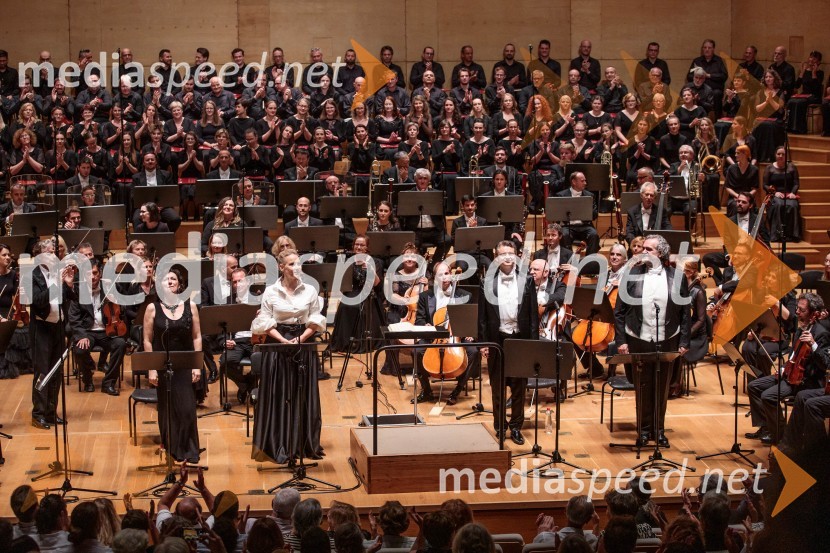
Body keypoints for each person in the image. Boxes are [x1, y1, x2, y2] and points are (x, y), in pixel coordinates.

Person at [250, 249, 326, 464]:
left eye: (298, 264)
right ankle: (278, 444)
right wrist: (283, 341)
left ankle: (302, 444)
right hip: (278, 343)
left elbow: (315, 319)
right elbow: (264, 321)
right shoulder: (271, 292)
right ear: (281, 268)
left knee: (302, 392)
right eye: (291, 264)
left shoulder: (310, 290)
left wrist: (301, 338)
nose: (296, 268)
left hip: (304, 341)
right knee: (279, 393)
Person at [614, 234, 690, 447]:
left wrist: (684, 341)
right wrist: (621, 340)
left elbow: (685, 313)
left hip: (667, 339)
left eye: (649, 249)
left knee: (662, 387)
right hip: (639, 338)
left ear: (661, 253)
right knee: (643, 386)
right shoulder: (631, 275)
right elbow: (619, 311)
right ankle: (644, 431)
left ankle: (659, 430)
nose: (643, 252)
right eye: (643, 248)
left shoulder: (677, 277)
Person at [746, 293, 829, 444]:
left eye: (802, 310)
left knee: (768, 396)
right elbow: (793, 356)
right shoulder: (801, 329)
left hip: (803, 380)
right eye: (797, 308)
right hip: (789, 374)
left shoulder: (821, 334)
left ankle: (781, 434)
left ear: (813, 313)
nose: (797, 312)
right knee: (753, 386)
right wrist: (783, 367)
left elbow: (824, 364)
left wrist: (813, 345)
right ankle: (767, 427)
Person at [479, 240, 539, 445]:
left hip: (519, 339)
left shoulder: (527, 280)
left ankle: (515, 427)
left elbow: (533, 317)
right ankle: (500, 426)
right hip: (497, 339)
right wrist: (484, 343)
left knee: (519, 387)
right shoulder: (486, 282)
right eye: (503, 254)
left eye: (510, 253)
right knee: (497, 387)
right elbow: (483, 318)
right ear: (496, 257)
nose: (507, 257)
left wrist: (533, 346)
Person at [143, 269, 203, 463]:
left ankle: (189, 450)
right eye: (165, 279)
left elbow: (197, 336)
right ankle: (172, 448)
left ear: (179, 283)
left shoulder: (190, 305)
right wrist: (151, 368)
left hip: (185, 364)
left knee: (187, 409)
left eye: (173, 279)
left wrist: (197, 365)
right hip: (163, 365)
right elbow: (147, 340)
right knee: (168, 409)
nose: (169, 282)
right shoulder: (152, 308)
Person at [410, 262, 480, 406]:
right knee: (416, 351)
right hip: (434, 338)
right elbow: (419, 319)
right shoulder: (425, 296)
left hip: (457, 337)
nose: (444, 277)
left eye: (446, 273)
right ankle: (427, 390)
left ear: (451, 275)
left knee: (473, 351)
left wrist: (469, 332)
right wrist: (426, 326)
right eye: (440, 275)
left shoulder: (465, 295)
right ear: (434, 278)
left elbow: (472, 319)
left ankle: (457, 390)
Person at [30, 239, 76, 430]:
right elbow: (38, 301)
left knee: (56, 372)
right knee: (42, 372)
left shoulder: (57, 273)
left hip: (57, 327)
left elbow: (71, 298)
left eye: (54, 253)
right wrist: (56, 283)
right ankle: (38, 414)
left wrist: (69, 285)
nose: (54, 256)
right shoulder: (31, 276)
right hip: (41, 330)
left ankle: (51, 412)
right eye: (49, 252)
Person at [68, 259, 125, 396]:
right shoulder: (78, 291)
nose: (92, 277)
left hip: (107, 331)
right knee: (80, 350)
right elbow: (73, 318)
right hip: (88, 332)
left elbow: (122, 310)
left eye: (95, 273)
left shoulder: (109, 288)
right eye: (88, 274)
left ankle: (108, 383)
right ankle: (87, 380)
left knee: (121, 344)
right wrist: (81, 336)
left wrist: (115, 298)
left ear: (100, 274)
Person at [329, 235, 384, 356]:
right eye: (356, 244)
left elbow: (377, 284)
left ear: (367, 247)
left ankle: (362, 341)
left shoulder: (376, 262)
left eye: (362, 245)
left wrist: (370, 269)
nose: (358, 247)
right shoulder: (348, 262)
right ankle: (345, 342)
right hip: (353, 291)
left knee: (360, 306)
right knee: (345, 306)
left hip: (370, 293)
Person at [554, 172, 600, 254]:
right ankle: (568, 260)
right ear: (574, 182)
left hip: (585, 226)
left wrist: (587, 210)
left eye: (585, 181)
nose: (585, 183)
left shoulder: (590, 196)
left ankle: (589, 261)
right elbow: (557, 215)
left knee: (594, 234)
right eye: (582, 181)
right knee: (564, 235)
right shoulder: (561, 195)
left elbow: (595, 215)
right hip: (567, 226)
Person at [763, 146, 801, 241]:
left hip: (789, 194)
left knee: (793, 205)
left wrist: (793, 193)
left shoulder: (792, 167)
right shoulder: (769, 168)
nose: (781, 156)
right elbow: (765, 185)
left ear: (786, 156)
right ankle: (777, 235)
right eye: (778, 154)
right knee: (778, 205)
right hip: (775, 194)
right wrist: (774, 193)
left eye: (783, 154)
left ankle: (792, 235)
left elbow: (796, 183)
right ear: (775, 155)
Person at [787, 51, 824, 134]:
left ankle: (800, 128)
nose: (811, 60)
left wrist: (814, 73)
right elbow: (797, 86)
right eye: (811, 57)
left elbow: (816, 88)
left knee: (800, 103)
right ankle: (790, 127)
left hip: (814, 96)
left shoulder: (820, 73)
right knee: (791, 101)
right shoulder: (805, 71)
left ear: (818, 62)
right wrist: (802, 72)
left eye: (815, 58)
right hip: (804, 95)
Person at [724, 145, 760, 217]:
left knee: (750, 206)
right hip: (735, 196)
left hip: (748, 197)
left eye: (738, 153)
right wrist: (738, 196)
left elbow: (755, 188)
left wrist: (747, 197)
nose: (735, 155)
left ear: (745, 154)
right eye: (735, 153)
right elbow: (727, 187)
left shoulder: (754, 169)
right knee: (735, 206)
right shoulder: (731, 168)